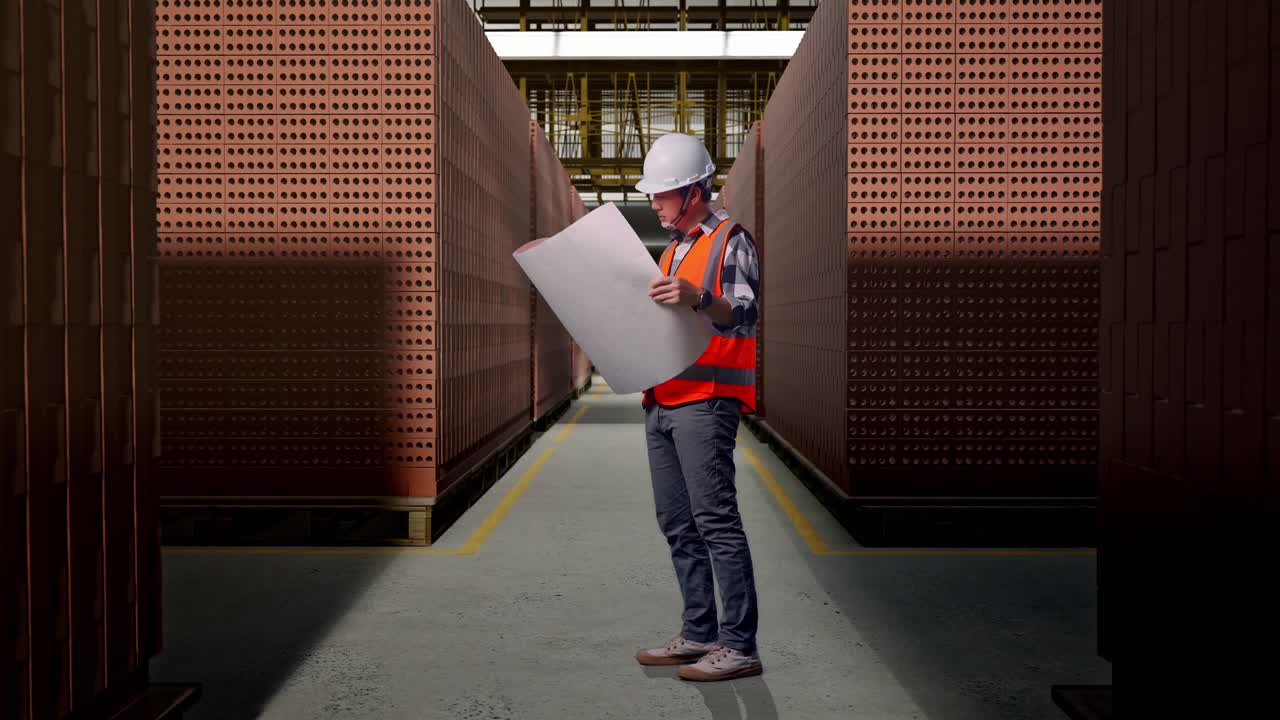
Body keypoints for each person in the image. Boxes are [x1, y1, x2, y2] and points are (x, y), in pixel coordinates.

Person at [631, 132, 763, 682]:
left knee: (715, 522)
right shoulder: (676, 247)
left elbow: (744, 313)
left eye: (662, 194)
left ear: (693, 191)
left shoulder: (732, 240)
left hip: (706, 401)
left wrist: (697, 297)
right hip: (664, 397)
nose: (654, 202)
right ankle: (699, 632)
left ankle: (738, 645)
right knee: (677, 523)